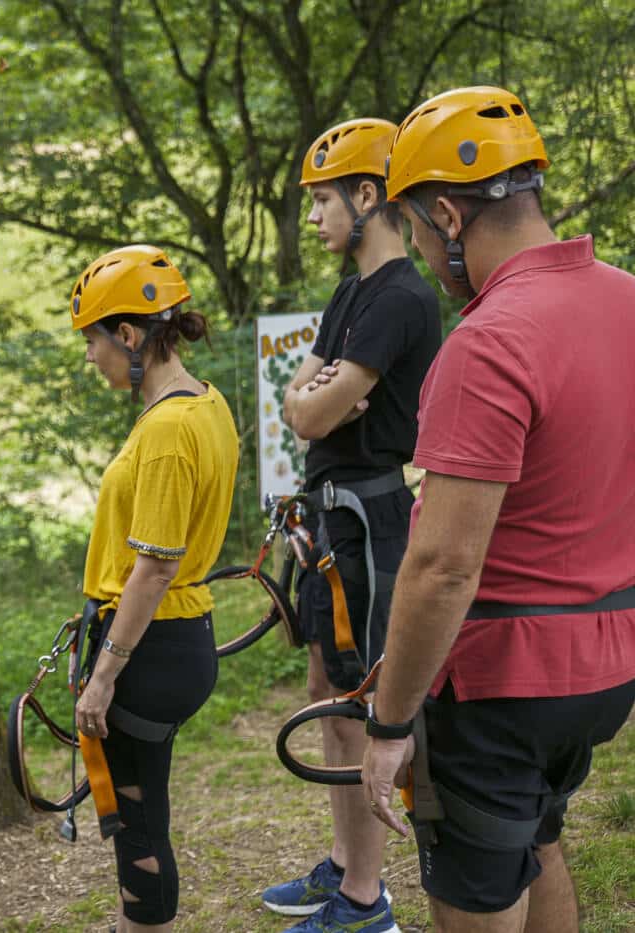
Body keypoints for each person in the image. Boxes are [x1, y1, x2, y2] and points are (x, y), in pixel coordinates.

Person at [361, 85, 635, 933]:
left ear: (447, 213)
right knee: (539, 839)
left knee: (477, 893)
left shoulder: (489, 341)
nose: (417, 245)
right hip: (606, 664)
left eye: (412, 226)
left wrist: (390, 722)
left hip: (497, 685)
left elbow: (443, 566)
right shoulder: (627, 301)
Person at [265, 119, 442, 932]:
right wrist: (318, 400)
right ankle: (343, 866)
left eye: (324, 200)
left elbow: (317, 407)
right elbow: (301, 404)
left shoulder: (403, 294)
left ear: (368, 196)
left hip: (371, 518)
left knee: (362, 699)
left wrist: (320, 401)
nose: (313, 217)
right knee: (328, 692)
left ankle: (366, 902)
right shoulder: (349, 294)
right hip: (334, 520)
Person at [69, 244, 239, 931]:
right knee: (141, 815)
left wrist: (104, 674)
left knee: (137, 826)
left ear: (130, 335)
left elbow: (156, 565)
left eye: (93, 342)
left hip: (150, 642)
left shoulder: (168, 430)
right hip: (175, 634)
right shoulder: (206, 404)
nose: (90, 357)